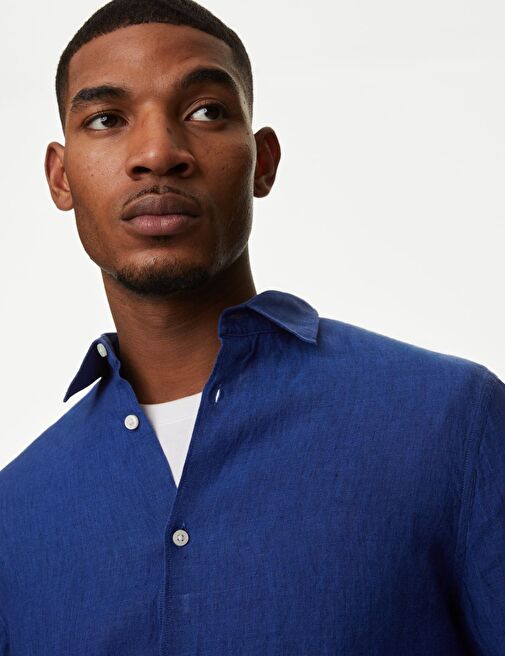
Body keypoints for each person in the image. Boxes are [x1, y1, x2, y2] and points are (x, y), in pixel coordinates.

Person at [0, 0, 503, 653]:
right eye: (106, 119)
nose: (157, 153)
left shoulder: (451, 421)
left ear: (263, 161)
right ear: (60, 177)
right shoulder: (14, 515)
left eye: (205, 111)